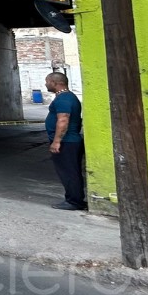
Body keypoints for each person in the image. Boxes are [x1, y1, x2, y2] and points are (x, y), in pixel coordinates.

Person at [46, 72, 86, 211]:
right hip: (69, 141)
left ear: (55, 82)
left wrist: (57, 141)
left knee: (68, 172)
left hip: (67, 142)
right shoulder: (67, 97)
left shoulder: (64, 99)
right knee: (71, 171)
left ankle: (74, 201)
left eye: (47, 81)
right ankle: (75, 199)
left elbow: (63, 120)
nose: (46, 84)